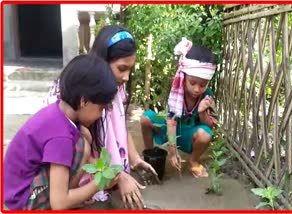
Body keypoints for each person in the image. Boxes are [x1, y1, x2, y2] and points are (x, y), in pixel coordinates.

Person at [43, 25, 159, 210]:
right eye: (121, 68)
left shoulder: (115, 84)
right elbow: (75, 148)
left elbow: (119, 123)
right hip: (77, 183)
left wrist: (135, 159)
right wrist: (117, 176)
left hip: (105, 173)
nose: (127, 77)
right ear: (103, 61)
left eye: (130, 69)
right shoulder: (74, 92)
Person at [4, 55, 119, 210]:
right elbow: (59, 204)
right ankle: (66, 198)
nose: (101, 115)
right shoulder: (61, 137)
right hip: (22, 200)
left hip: (16, 187)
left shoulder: (59, 112)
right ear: (84, 101)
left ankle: (69, 196)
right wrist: (100, 183)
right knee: (82, 144)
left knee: (84, 140)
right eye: (101, 108)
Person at [140, 37, 217, 178]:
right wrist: (173, 152)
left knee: (205, 134)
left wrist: (202, 113)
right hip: (170, 129)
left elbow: (210, 127)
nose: (197, 89)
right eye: (192, 83)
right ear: (184, 77)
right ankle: (149, 155)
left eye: (203, 84)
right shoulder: (177, 90)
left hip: (189, 135)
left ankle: (193, 161)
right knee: (146, 118)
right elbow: (171, 122)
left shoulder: (207, 95)